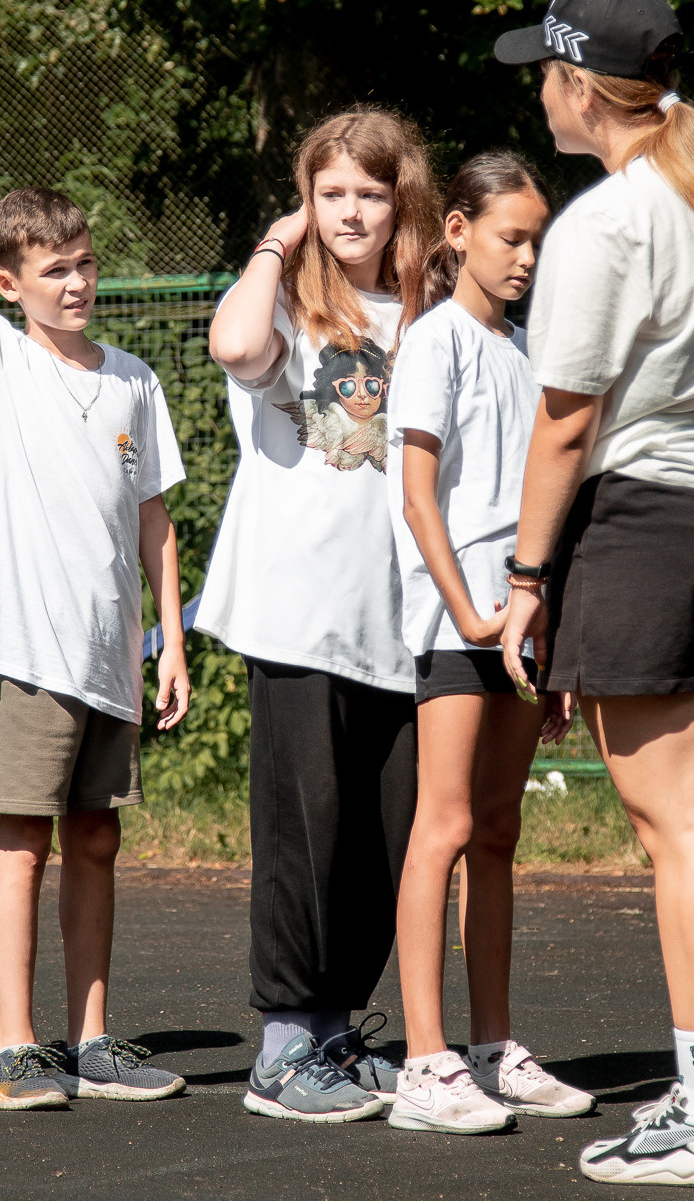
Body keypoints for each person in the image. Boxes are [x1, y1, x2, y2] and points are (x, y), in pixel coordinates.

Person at [493, 0, 694, 1186]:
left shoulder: (608, 220)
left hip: (653, 526)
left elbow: (566, 425)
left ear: (583, 86)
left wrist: (528, 575)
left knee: (678, 829)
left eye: (547, 72)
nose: (540, 92)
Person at [0, 10, 194, 1111]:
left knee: (97, 841)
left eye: (82, 265)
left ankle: (92, 1038)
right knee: (23, 842)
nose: (74, 284)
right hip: (22, 652)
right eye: (52, 270)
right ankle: (14, 1047)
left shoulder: (133, 380)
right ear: (14, 284)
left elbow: (155, 522)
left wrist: (167, 641)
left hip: (110, 656)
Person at [199, 107, 441, 1123]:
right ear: (307, 199)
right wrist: (275, 240)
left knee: (388, 837)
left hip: (403, 622)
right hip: (299, 615)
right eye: (330, 191)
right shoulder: (288, 306)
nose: (350, 210)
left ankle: (340, 1030)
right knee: (305, 835)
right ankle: (283, 1050)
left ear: (402, 203)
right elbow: (233, 342)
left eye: (369, 194)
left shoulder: (429, 318)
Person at [385, 151, 599, 1135]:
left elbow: (541, 504)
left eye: (538, 241)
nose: (527, 256)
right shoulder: (434, 341)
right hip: (456, 623)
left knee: (501, 831)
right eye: (512, 236)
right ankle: (423, 1065)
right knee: (446, 826)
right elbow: (416, 489)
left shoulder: (525, 351)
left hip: (519, 626)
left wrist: (538, 622)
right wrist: (467, 609)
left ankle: (491, 1048)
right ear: (459, 231)